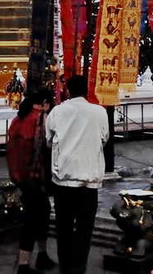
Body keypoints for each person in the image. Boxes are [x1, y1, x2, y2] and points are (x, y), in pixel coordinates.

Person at [46, 75, 108, 274]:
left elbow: (48, 140)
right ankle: (79, 268)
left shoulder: (57, 111)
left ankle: (65, 267)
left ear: (68, 90)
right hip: (89, 181)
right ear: (86, 91)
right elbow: (104, 139)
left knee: (63, 228)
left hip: (63, 180)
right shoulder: (99, 112)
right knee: (84, 229)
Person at [7, 88, 57, 274]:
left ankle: (42, 255)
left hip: (19, 175)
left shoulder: (18, 118)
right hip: (34, 177)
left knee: (42, 212)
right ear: (44, 103)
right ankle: (23, 264)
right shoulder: (40, 119)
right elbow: (45, 147)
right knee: (34, 218)